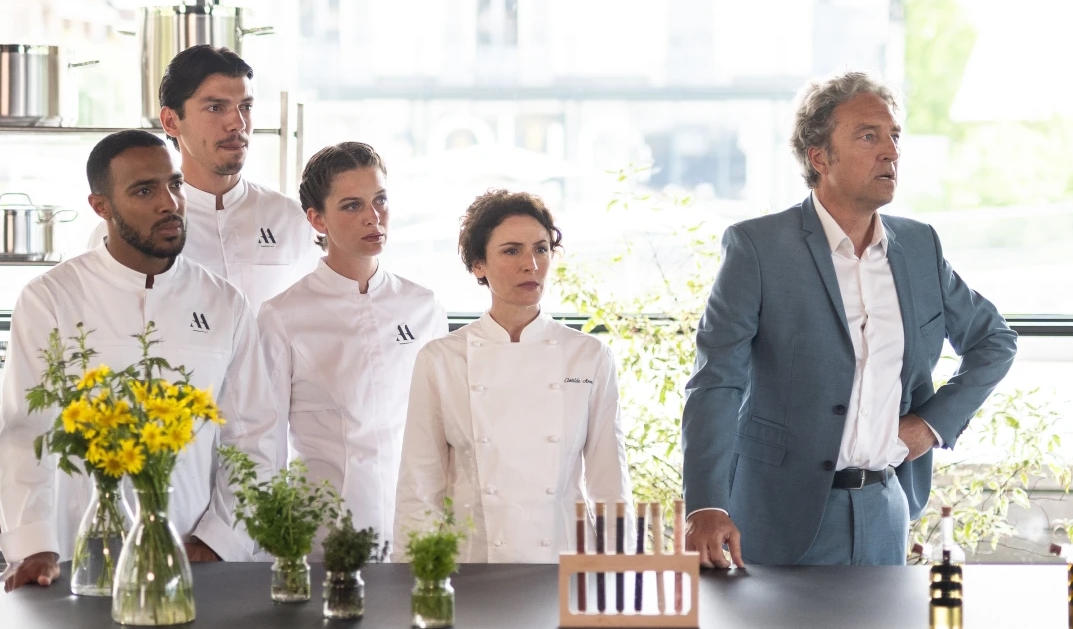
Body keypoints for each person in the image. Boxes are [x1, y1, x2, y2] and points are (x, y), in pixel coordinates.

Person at [681, 72, 1018, 567]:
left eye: (894, 136)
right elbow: (717, 381)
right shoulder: (758, 248)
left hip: (885, 509)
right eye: (868, 136)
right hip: (778, 513)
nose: (891, 152)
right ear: (820, 157)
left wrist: (931, 423)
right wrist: (706, 505)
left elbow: (995, 342)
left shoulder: (919, 247)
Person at [0, 130, 278, 591]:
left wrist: (220, 540)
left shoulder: (225, 303)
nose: (170, 203)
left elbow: (253, 436)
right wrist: (33, 545)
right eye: (144, 191)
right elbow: (26, 431)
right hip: (77, 565)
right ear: (101, 207)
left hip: (195, 563)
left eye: (175, 184)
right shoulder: (50, 299)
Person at [394, 189, 632, 562]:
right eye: (511, 251)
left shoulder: (589, 356)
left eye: (541, 249)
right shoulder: (441, 360)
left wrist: (624, 575)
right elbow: (420, 486)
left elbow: (610, 482)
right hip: (473, 565)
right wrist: (413, 579)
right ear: (478, 265)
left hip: (563, 565)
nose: (531, 264)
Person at [257, 142, 447, 557]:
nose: (373, 217)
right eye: (351, 205)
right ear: (317, 219)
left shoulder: (423, 306)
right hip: (323, 537)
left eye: (380, 200)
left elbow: (441, 429)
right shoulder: (283, 316)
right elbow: (264, 444)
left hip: (415, 532)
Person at [87, 45, 319, 315]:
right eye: (215, 107)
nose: (237, 124)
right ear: (171, 121)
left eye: (245, 107)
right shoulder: (126, 231)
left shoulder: (293, 219)